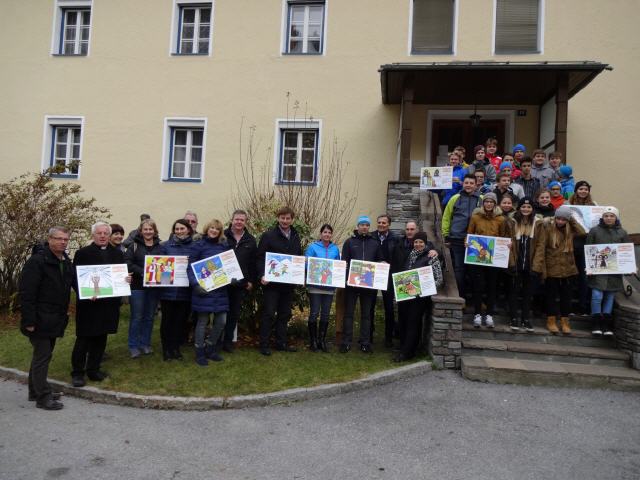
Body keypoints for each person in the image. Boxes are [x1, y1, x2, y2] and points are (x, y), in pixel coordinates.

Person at [19, 227, 73, 410]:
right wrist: (29, 321)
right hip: (39, 319)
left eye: (65, 239)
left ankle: (35, 391)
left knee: (41, 356)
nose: (62, 242)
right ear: (49, 239)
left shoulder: (64, 261)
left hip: (54, 318)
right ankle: (43, 397)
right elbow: (27, 293)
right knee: (43, 356)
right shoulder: (37, 262)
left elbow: (72, 284)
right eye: (58, 239)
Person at [71, 222, 130, 387]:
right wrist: (86, 293)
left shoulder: (117, 254)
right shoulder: (82, 253)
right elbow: (75, 278)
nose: (103, 236)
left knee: (101, 337)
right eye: (99, 233)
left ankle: (94, 369)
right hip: (89, 304)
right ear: (93, 235)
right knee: (84, 339)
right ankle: (77, 373)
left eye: (105, 233)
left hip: (108, 305)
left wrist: (126, 280)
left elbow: (120, 276)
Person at [256, 207, 303, 356]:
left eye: (288, 218)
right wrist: (262, 274)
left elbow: (298, 258)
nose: (285, 221)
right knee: (269, 314)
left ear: (292, 220)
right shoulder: (268, 235)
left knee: (284, 314)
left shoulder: (295, 236)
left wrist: (299, 273)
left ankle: (280, 343)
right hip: (271, 284)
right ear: (278, 218)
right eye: (282, 218)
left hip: (288, 284)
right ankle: (264, 344)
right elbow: (259, 258)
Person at [532, 206, 586, 334]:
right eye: (559, 219)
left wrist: (571, 219)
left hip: (568, 269)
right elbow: (541, 248)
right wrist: (538, 266)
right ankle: (551, 320)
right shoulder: (548, 229)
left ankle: (565, 321)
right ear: (555, 218)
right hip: (552, 269)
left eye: (563, 220)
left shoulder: (571, 230)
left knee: (566, 297)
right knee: (551, 296)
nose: (561, 222)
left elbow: (582, 232)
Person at [188, 219, 230, 365]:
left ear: (220, 232)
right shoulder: (198, 245)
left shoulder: (223, 246)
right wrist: (195, 285)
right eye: (212, 227)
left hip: (220, 291)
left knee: (221, 321)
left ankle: (210, 347)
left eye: (217, 229)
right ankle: (200, 352)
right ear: (207, 228)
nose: (214, 230)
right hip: (203, 291)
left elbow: (227, 267)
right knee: (202, 322)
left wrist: (232, 278)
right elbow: (190, 268)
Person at [341, 215, 384, 353]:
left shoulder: (375, 243)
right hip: (352, 285)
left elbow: (380, 260)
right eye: (362, 224)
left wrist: (382, 264)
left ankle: (365, 342)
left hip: (368, 285)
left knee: (366, 315)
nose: (364, 227)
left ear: (369, 227)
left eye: (367, 225)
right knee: (349, 314)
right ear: (357, 226)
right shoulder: (349, 242)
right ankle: (346, 342)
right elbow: (344, 262)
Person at [393, 232, 438, 362]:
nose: (418, 244)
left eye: (421, 242)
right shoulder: (410, 254)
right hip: (406, 295)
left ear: (425, 243)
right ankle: (404, 347)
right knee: (404, 321)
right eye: (416, 242)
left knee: (413, 323)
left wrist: (424, 288)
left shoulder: (431, 257)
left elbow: (438, 279)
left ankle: (408, 352)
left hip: (419, 298)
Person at [467, 192, 510, 328]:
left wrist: (507, 245)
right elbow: (470, 233)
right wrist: (467, 242)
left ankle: (490, 314)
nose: (489, 204)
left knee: (492, 286)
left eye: (491, 202)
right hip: (478, 257)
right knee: (478, 286)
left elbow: (504, 236)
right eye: (486, 201)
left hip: (494, 259)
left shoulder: (501, 219)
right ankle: (477, 314)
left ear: (495, 203)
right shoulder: (475, 217)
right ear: (483, 203)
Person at [586, 207, 630, 336]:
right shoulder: (594, 231)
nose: (609, 218)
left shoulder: (622, 233)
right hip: (598, 269)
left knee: (610, 297)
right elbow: (589, 249)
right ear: (602, 217)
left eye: (611, 216)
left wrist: (629, 267)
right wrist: (588, 266)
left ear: (616, 217)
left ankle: (606, 323)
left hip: (614, 271)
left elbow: (627, 252)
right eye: (606, 216)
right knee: (597, 296)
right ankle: (596, 322)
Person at [158, 219, 196, 361]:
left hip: (185, 291)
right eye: (177, 229)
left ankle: (176, 348)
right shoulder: (166, 246)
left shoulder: (195, 246)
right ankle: (166, 349)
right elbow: (160, 267)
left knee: (180, 322)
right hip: (168, 291)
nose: (179, 231)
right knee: (167, 321)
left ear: (188, 229)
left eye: (182, 228)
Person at [125, 219, 162, 358]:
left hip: (154, 287)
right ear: (141, 231)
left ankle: (145, 343)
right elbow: (127, 263)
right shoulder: (133, 246)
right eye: (145, 229)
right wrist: (143, 272)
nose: (148, 232)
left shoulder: (160, 246)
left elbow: (165, 264)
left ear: (154, 231)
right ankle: (133, 345)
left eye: (150, 229)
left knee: (149, 317)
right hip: (137, 287)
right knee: (137, 317)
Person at [221, 210, 257, 353]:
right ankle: (216, 340)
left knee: (233, 314)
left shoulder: (250, 240)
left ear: (245, 222)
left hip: (240, 284)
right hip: (222, 281)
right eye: (237, 219)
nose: (239, 222)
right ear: (232, 219)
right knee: (219, 313)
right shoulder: (222, 236)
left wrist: (251, 281)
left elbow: (253, 263)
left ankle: (228, 342)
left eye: (242, 220)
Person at [442, 174, 482, 300]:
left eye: (471, 183)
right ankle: (461, 298)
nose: (469, 185)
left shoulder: (482, 199)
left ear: (476, 185)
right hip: (457, 239)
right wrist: (446, 235)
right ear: (463, 184)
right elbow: (447, 217)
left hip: (476, 240)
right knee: (459, 270)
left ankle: (476, 301)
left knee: (475, 272)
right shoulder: (455, 198)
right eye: (466, 183)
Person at [506, 198, 541, 331]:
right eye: (523, 206)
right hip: (516, 262)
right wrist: (511, 263)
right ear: (519, 208)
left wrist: (536, 266)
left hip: (530, 265)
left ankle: (526, 318)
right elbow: (507, 243)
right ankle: (513, 317)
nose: (526, 209)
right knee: (513, 291)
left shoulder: (538, 224)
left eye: (529, 207)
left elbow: (540, 246)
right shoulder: (511, 222)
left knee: (528, 293)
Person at [305, 224, 341, 352]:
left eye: (329, 232)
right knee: (314, 313)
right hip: (315, 286)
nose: (327, 234)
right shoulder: (312, 247)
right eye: (325, 232)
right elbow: (306, 263)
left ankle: (322, 340)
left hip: (329, 287)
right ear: (321, 234)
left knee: (326, 314)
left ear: (331, 234)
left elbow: (338, 266)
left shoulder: (335, 249)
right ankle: (313, 341)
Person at [370, 214, 398, 347]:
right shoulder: (371, 236)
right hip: (372, 276)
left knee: (389, 308)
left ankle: (388, 337)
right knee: (369, 306)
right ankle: (368, 335)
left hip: (388, 276)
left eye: (384, 223)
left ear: (389, 225)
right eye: (379, 222)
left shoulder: (395, 239)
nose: (381, 224)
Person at [568, 181, 597, 314]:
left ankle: (583, 307)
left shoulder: (595, 205)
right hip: (572, 244)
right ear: (576, 190)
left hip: (588, 245)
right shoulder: (568, 205)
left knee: (585, 278)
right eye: (581, 189)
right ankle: (569, 307)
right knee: (571, 276)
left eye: (586, 189)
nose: (583, 191)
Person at [391, 221, 421, 345]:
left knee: (413, 318)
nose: (409, 231)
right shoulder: (398, 243)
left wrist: (437, 252)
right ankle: (402, 344)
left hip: (416, 286)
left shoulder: (422, 244)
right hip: (401, 284)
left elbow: (435, 253)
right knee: (402, 315)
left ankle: (413, 345)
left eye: (412, 229)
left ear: (417, 230)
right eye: (407, 229)